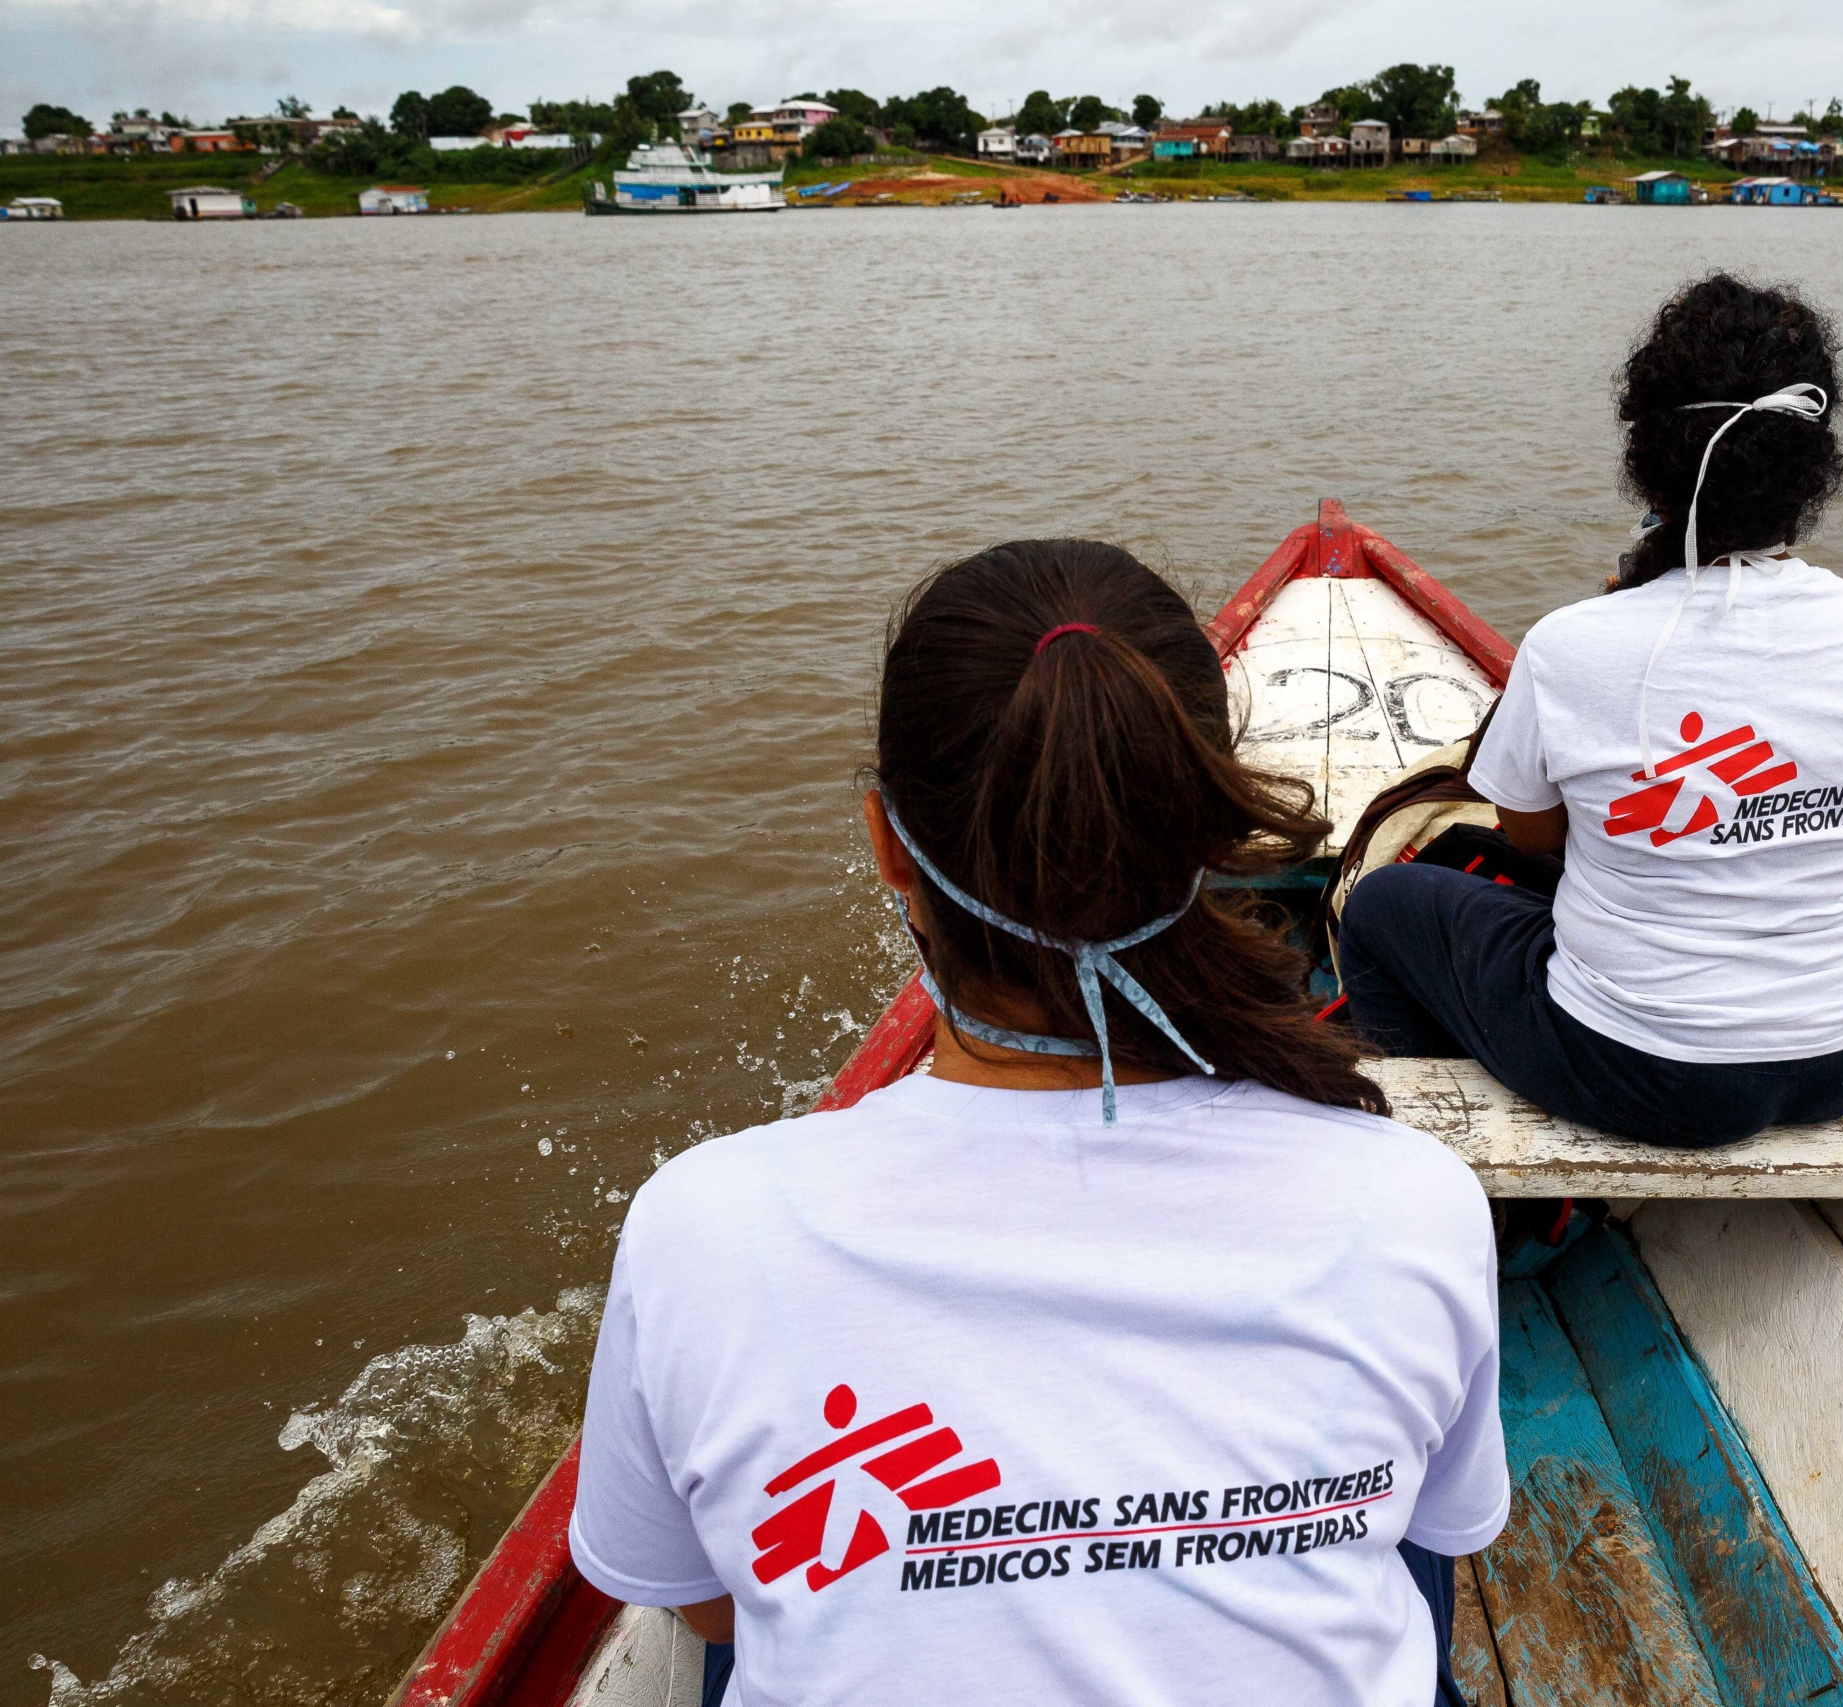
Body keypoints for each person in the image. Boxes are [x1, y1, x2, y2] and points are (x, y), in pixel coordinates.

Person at [568, 540, 1507, 1707]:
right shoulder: (1409, 1200)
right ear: (1211, 837)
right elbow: (1445, 1527)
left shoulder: (701, 1231)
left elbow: (707, 1606)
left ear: (886, 847)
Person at [1336, 275, 1843, 1148]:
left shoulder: (1573, 645)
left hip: (1640, 1072)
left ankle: (1425, 1152)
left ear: (1649, 463)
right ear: (1811, 468)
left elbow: (1533, 837)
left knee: (1386, 905)